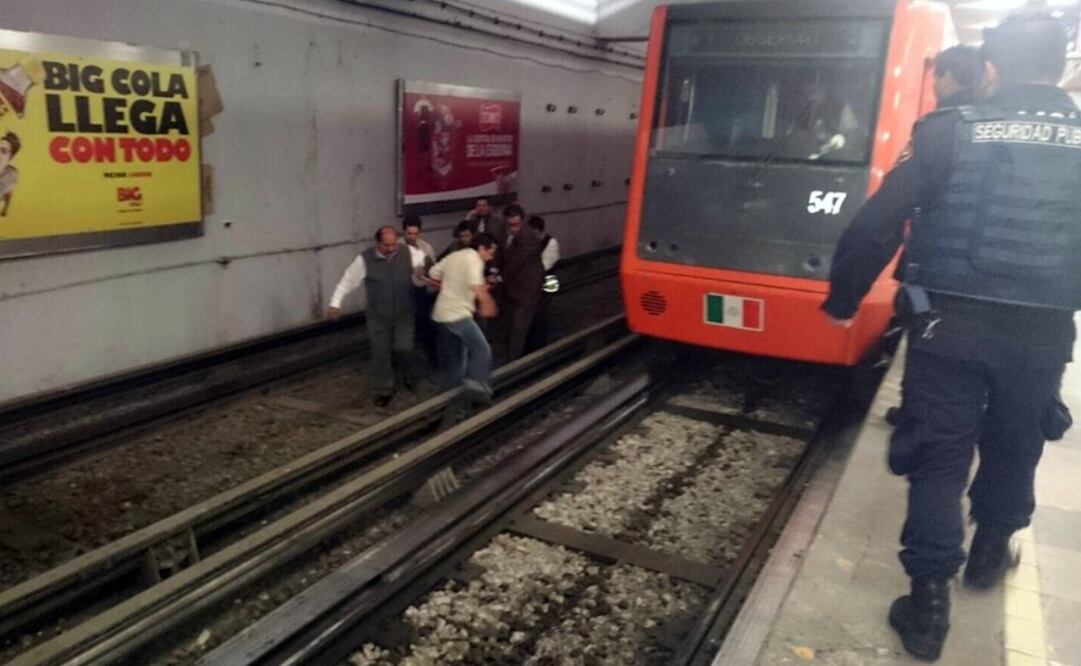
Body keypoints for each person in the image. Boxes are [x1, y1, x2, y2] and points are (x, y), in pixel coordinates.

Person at [821, 13, 1080, 661]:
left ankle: (927, 606)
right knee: (1017, 438)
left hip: (949, 328)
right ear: (1059, 66)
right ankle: (990, 554)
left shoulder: (947, 133)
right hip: (1043, 329)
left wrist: (842, 300)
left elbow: (874, 224)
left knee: (937, 456)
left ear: (990, 67)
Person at [884, 44, 983, 427]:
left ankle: (914, 414)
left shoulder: (939, 129)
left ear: (944, 77)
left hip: (937, 277)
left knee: (925, 346)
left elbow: (886, 213)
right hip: (1018, 299)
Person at [329, 225, 427, 407]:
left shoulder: (408, 252)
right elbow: (347, 281)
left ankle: (410, 376)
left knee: (403, 348)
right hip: (378, 317)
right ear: (377, 243)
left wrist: (424, 271)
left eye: (393, 245)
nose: (390, 249)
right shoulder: (364, 259)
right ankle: (384, 389)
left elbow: (424, 261)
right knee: (380, 353)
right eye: (386, 246)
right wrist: (335, 303)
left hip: (404, 313)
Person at [429, 232, 499, 402]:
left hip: (440, 314)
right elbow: (477, 288)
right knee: (482, 349)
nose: (491, 257)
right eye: (490, 252)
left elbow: (433, 273)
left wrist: (453, 284)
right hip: (458, 315)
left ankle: (451, 396)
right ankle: (478, 391)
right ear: (481, 248)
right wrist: (488, 304)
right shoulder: (475, 260)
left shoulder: (455, 255)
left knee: (456, 360)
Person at [491, 204, 544, 362]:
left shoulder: (529, 238)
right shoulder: (502, 230)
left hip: (528, 287)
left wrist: (499, 278)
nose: (513, 228)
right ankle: (504, 354)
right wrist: (494, 269)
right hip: (511, 286)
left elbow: (517, 263)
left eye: (517, 224)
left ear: (523, 221)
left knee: (519, 326)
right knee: (506, 321)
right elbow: (498, 251)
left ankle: (514, 361)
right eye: (510, 225)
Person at [401, 215, 438, 367]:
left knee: (424, 324)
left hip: (419, 290)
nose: (412, 236)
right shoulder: (394, 247)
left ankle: (433, 358)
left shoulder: (426, 248)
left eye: (415, 233)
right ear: (404, 232)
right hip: (401, 292)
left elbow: (433, 269)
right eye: (409, 233)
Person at [524, 215, 560, 353]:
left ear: (539, 231)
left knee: (542, 309)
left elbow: (546, 265)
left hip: (548, 280)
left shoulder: (551, 243)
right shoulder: (531, 244)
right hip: (535, 281)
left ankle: (540, 342)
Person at [0, 130, 20, 217]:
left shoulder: (11, 175)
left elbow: (8, 192)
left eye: (3, 151)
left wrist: (5, 209)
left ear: (10, 157)